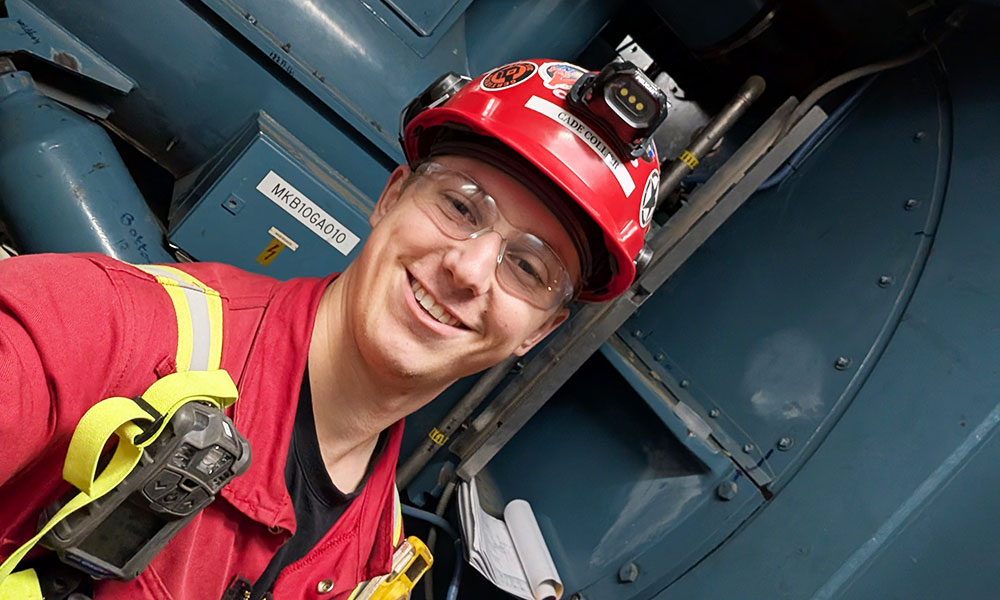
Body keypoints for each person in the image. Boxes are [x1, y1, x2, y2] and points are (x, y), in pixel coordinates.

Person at [0, 59, 659, 600]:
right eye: (461, 206)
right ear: (391, 198)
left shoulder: (375, 565)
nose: (468, 268)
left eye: (528, 266)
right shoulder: (101, 333)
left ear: (537, 333)